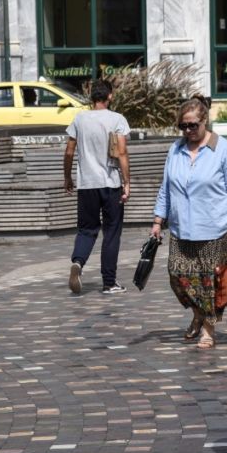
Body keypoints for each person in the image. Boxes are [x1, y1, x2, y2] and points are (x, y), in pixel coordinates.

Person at [150, 96, 227, 349]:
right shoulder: (176, 149)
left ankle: (208, 331)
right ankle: (198, 313)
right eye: (183, 126)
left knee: (209, 284)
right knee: (177, 276)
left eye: (193, 125)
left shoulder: (223, 149)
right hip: (182, 229)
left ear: (205, 121)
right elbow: (166, 187)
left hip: (216, 229)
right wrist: (158, 220)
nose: (188, 130)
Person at [63, 79, 130, 294]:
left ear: (91, 97)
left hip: (87, 184)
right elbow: (121, 152)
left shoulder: (79, 119)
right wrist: (127, 182)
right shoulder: (117, 119)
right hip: (110, 183)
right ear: (110, 96)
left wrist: (67, 177)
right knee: (111, 233)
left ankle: (78, 263)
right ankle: (109, 282)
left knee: (86, 230)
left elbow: (69, 152)